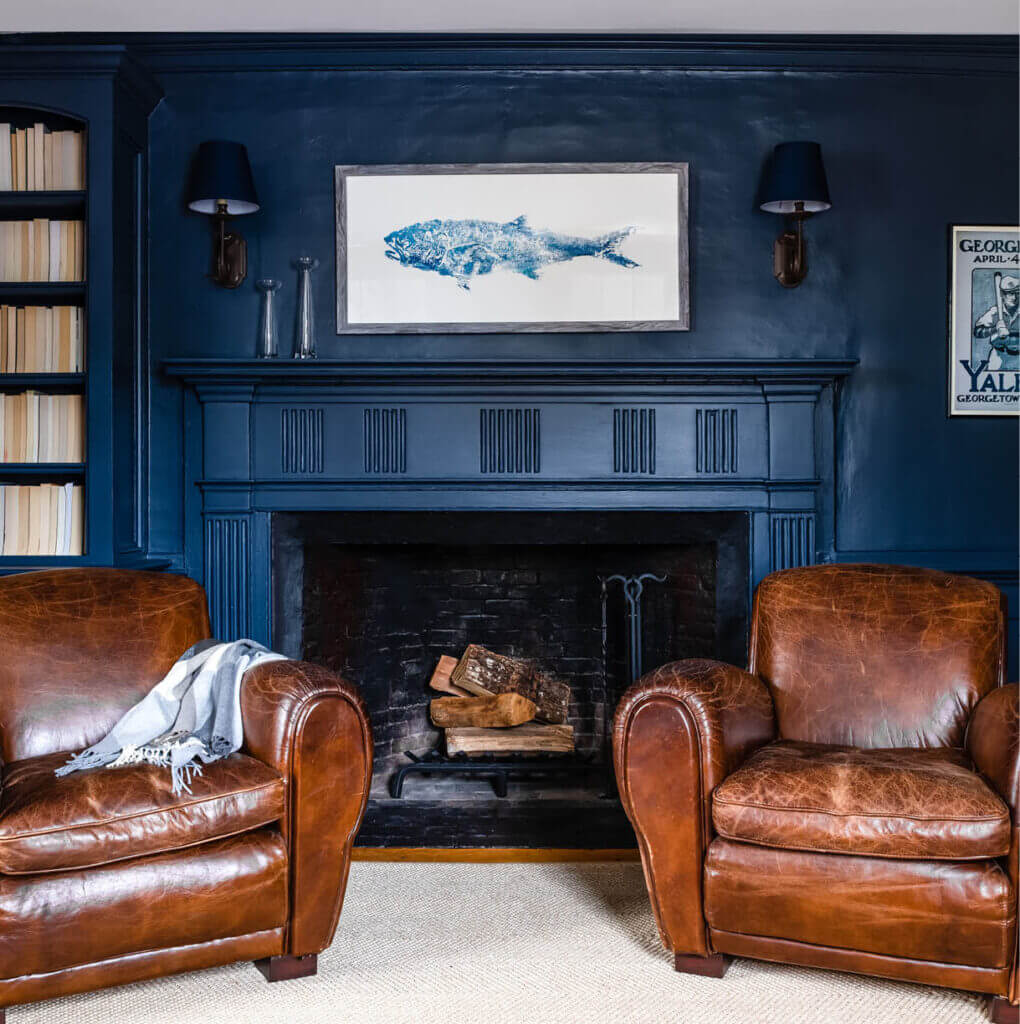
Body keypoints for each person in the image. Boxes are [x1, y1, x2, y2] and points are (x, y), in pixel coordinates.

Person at [973, 274, 1020, 369]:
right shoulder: (994, 312)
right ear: (1002, 295)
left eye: (1017, 293)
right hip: (998, 357)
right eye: (1010, 293)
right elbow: (977, 332)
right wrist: (995, 329)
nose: (1014, 297)